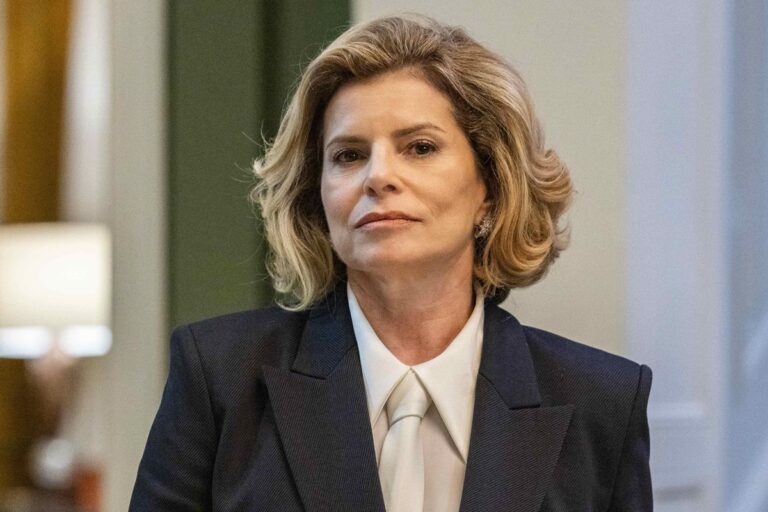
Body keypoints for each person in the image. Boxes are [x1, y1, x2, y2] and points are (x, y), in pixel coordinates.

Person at [129, 14, 652, 512]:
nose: (378, 176)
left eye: (419, 147)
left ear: (491, 187)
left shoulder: (602, 400)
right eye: (349, 155)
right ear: (318, 196)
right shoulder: (220, 377)